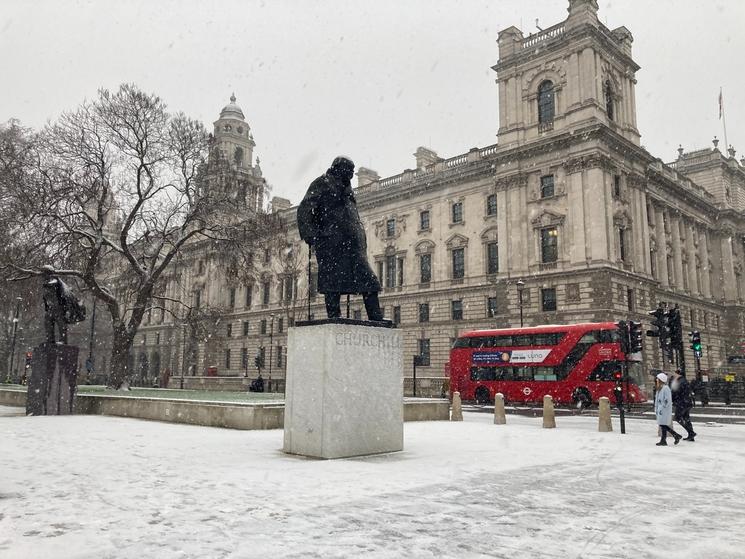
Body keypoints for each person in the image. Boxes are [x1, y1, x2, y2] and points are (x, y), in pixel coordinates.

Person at [297, 156, 383, 321]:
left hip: (353, 245)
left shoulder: (347, 188)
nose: (351, 174)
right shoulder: (322, 183)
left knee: (369, 281)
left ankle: (376, 316)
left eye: (352, 171)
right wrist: (309, 233)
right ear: (337, 168)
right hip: (331, 242)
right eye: (348, 170)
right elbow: (305, 208)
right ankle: (334, 317)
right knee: (332, 283)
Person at [654, 372, 682, 446]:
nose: (656, 380)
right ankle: (666, 439)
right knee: (662, 425)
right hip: (660, 410)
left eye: (658, 379)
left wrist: (662, 408)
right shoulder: (660, 388)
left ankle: (674, 436)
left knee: (663, 424)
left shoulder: (665, 388)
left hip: (663, 410)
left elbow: (667, 400)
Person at [670, 369, 696, 441]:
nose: (673, 375)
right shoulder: (684, 380)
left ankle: (691, 433)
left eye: (674, 373)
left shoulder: (679, 381)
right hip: (687, 402)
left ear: (678, 374)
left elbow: (675, 392)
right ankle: (691, 436)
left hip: (682, 403)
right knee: (686, 418)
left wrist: (671, 398)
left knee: (677, 418)